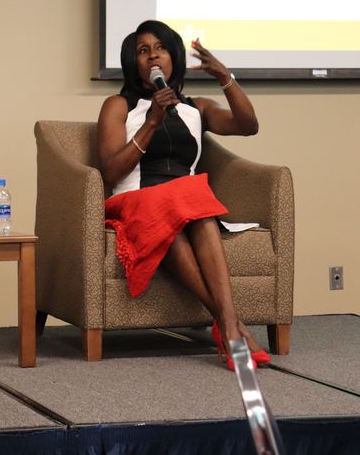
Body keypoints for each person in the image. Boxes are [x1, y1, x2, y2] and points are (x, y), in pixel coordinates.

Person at [96, 19, 270, 371]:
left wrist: (225, 77)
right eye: (142, 50)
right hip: (135, 200)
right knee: (183, 208)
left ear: (173, 56)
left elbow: (248, 126)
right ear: (134, 63)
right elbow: (112, 172)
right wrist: (151, 123)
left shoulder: (197, 108)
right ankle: (232, 325)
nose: (152, 55)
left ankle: (227, 325)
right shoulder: (119, 106)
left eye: (159, 47)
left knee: (190, 210)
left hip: (185, 207)